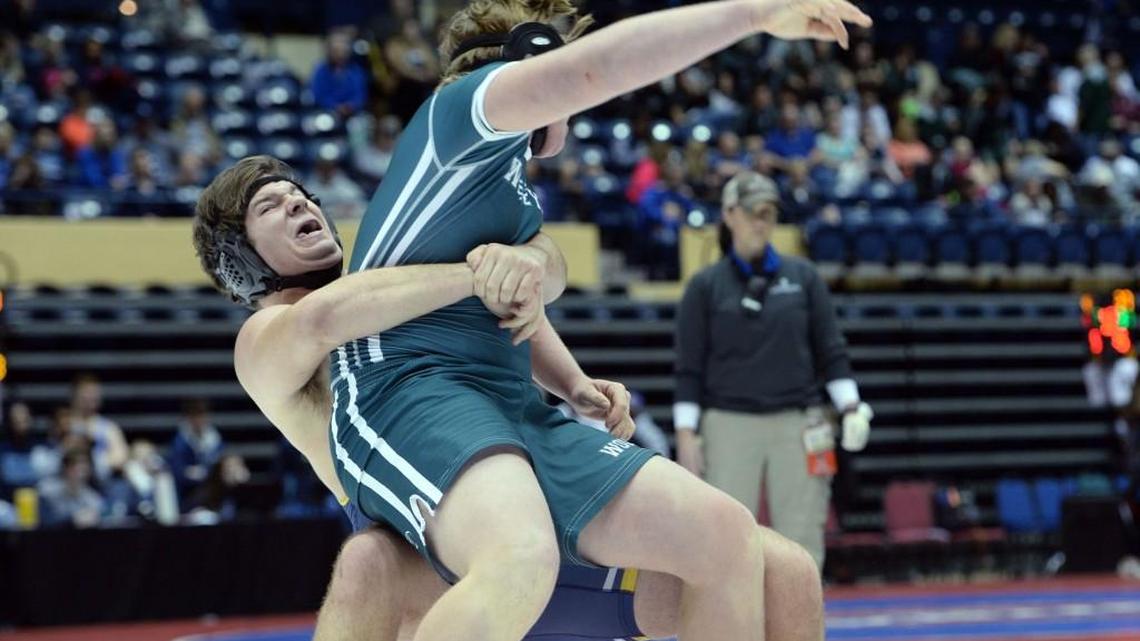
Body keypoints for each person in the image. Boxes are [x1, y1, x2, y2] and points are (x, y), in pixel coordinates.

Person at [339, 2, 870, 639]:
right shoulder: (462, 114)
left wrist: (573, 385)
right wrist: (754, 14)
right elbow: (595, 72)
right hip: (410, 388)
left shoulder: (508, 186)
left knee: (726, 536)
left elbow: (520, 305)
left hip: (512, 405)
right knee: (520, 556)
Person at [188, 156, 824, 641]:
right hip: (433, 548)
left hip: (543, 494)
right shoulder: (265, 339)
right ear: (241, 260)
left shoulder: (389, 288)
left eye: (301, 193)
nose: (300, 202)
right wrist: (480, 271)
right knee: (364, 562)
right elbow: (322, 322)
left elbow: (516, 299)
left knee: (785, 572)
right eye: (272, 204)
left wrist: (574, 384)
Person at [674, 171, 873, 569]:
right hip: (728, 423)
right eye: (753, 213)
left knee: (802, 540)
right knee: (725, 540)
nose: (762, 222)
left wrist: (851, 407)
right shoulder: (705, 286)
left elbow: (831, 351)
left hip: (800, 424)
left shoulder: (804, 278)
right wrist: (685, 435)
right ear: (729, 215)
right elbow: (689, 367)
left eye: (768, 213)